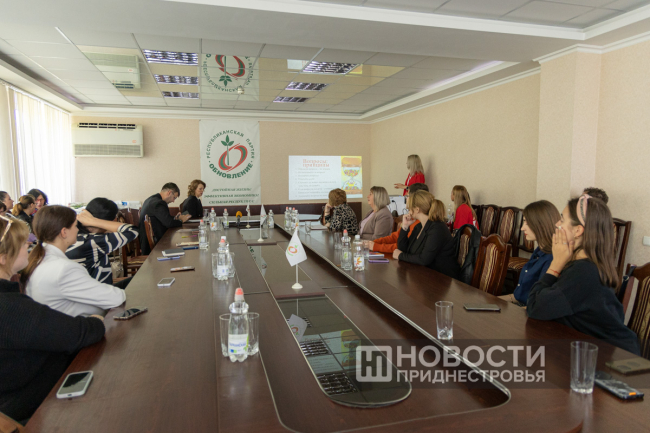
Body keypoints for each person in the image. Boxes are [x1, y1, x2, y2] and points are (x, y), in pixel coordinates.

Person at [0, 216, 105, 423]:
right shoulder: (12, 308)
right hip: (35, 411)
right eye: (23, 243)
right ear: (3, 257)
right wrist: (96, 320)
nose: (29, 245)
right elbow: (79, 333)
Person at [527, 195, 639, 354]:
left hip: (613, 356)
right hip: (589, 348)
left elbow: (535, 307)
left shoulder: (584, 272)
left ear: (578, 230)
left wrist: (555, 265)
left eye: (562, 219)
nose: (557, 224)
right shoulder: (586, 264)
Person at [22, 205, 126, 317]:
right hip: (81, 324)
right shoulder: (64, 269)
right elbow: (116, 298)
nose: (78, 230)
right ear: (64, 232)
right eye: (75, 226)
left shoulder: (39, 259)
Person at [66, 198, 139, 287]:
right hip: (97, 292)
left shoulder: (75, 235)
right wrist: (94, 221)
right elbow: (132, 230)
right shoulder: (94, 241)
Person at [498, 200, 560, 306]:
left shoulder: (551, 259)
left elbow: (538, 306)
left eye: (527, 222)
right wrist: (491, 300)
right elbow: (517, 297)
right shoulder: (539, 251)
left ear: (541, 224)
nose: (522, 228)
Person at [394, 191, 460, 279]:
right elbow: (403, 250)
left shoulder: (437, 228)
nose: (407, 210)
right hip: (424, 275)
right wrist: (405, 227)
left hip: (443, 279)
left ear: (417, 209)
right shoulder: (419, 226)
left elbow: (424, 259)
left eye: (409, 208)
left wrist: (400, 255)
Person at [365, 183, 429, 254]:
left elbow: (404, 247)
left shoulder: (421, 223)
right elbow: (396, 237)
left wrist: (376, 246)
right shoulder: (412, 219)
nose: (405, 197)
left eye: (407, 195)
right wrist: (373, 243)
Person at [139, 183, 191, 255]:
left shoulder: (151, 199)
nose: (173, 201)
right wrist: (181, 220)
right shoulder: (158, 203)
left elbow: (164, 218)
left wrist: (176, 217)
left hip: (148, 240)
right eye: (174, 198)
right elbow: (168, 223)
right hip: (156, 245)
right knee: (183, 247)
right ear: (169, 193)